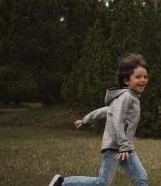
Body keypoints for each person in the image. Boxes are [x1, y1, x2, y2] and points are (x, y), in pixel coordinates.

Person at [49, 53, 150, 186]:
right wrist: (124, 146)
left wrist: (85, 121)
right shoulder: (126, 97)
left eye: (145, 77)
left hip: (125, 148)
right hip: (115, 147)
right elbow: (117, 120)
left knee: (141, 179)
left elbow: (106, 111)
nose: (143, 80)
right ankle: (62, 182)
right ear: (127, 80)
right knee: (102, 183)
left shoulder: (131, 97)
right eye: (138, 77)